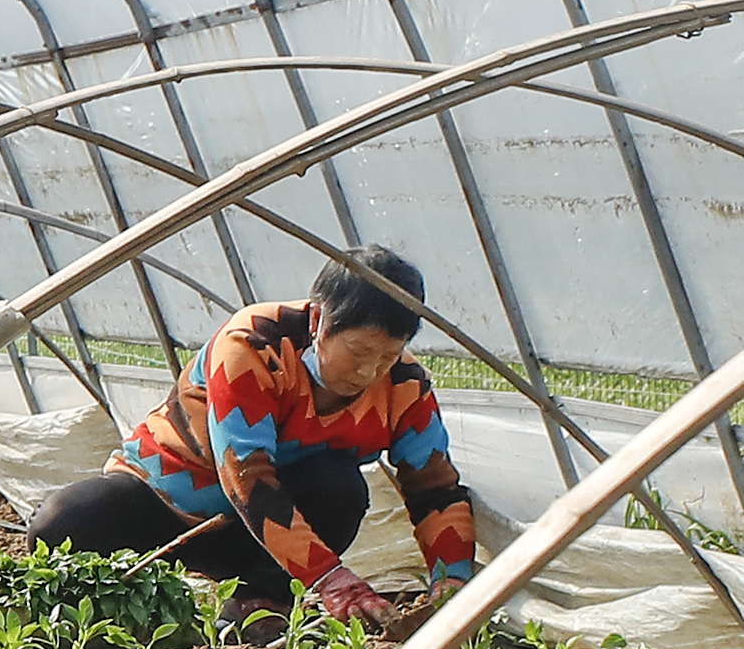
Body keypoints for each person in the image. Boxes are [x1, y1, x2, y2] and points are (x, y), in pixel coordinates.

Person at [28, 246, 478, 628]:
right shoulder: (252, 345)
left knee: (339, 487)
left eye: (387, 355)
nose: (368, 371)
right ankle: (103, 620)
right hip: (166, 502)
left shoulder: (404, 385)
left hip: (259, 544)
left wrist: (452, 584)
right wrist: (330, 577)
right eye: (358, 352)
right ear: (319, 320)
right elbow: (246, 475)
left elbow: (435, 489)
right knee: (62, 522)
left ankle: (262, 604)